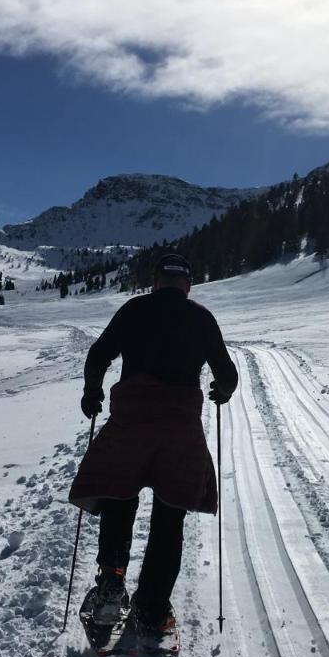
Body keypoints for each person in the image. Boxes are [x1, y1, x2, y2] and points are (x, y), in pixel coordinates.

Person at [68, 252, 238, 637]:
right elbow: (226, 373)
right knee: (169, 513)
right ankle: (152, 609)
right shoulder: (201, 317)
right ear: (188, 285)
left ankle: (110, 585)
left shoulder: (134, 309)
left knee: (118, 497)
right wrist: (221, 392)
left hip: (131, 423)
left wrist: (92, 392)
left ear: (156, 281)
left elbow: (98, 355)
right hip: (179, 430)